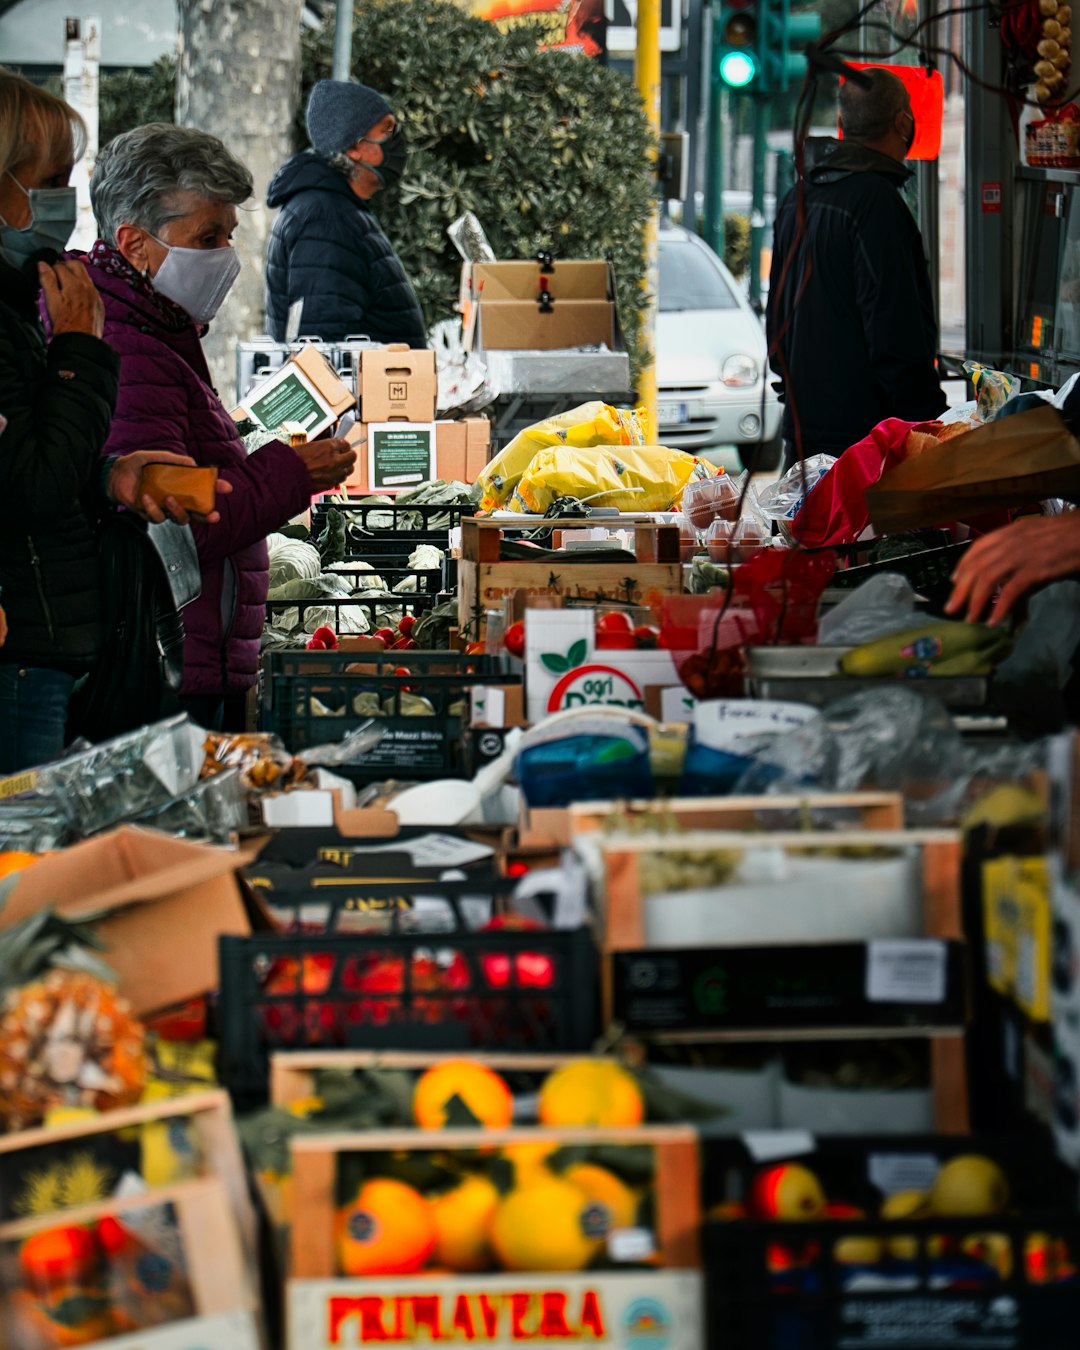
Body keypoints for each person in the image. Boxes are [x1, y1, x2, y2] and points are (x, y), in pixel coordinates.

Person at [87, 123, 357, 731]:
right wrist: (292, 472)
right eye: (207, 237)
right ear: (134, 244)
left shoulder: (158, 330)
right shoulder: (129, 347)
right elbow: (170, 527)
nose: (224, 259)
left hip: (189, 655)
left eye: (228, 237)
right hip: (169, 664)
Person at [0, 71, 212, 773]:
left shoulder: (16, 304)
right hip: (21, 654)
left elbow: (32, 463)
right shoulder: (47, 323)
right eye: (50, 178)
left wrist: (109, 477)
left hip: (45, 646)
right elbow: (30, 486)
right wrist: (80, 350)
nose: (61, 201)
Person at [766, 67, 946, 466]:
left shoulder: (797, 196)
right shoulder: (877, 205)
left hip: (803, 442)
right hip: (868, 448)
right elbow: (895, 338)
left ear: (843, 124)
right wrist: (930, 427)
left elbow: (776, 327)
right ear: (903, 122)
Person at [264, 78, 427, 347]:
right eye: (386, 130)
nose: (397, 140)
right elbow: (323, 346)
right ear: (354, 147)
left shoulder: (336, 209)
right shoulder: (324, 219)